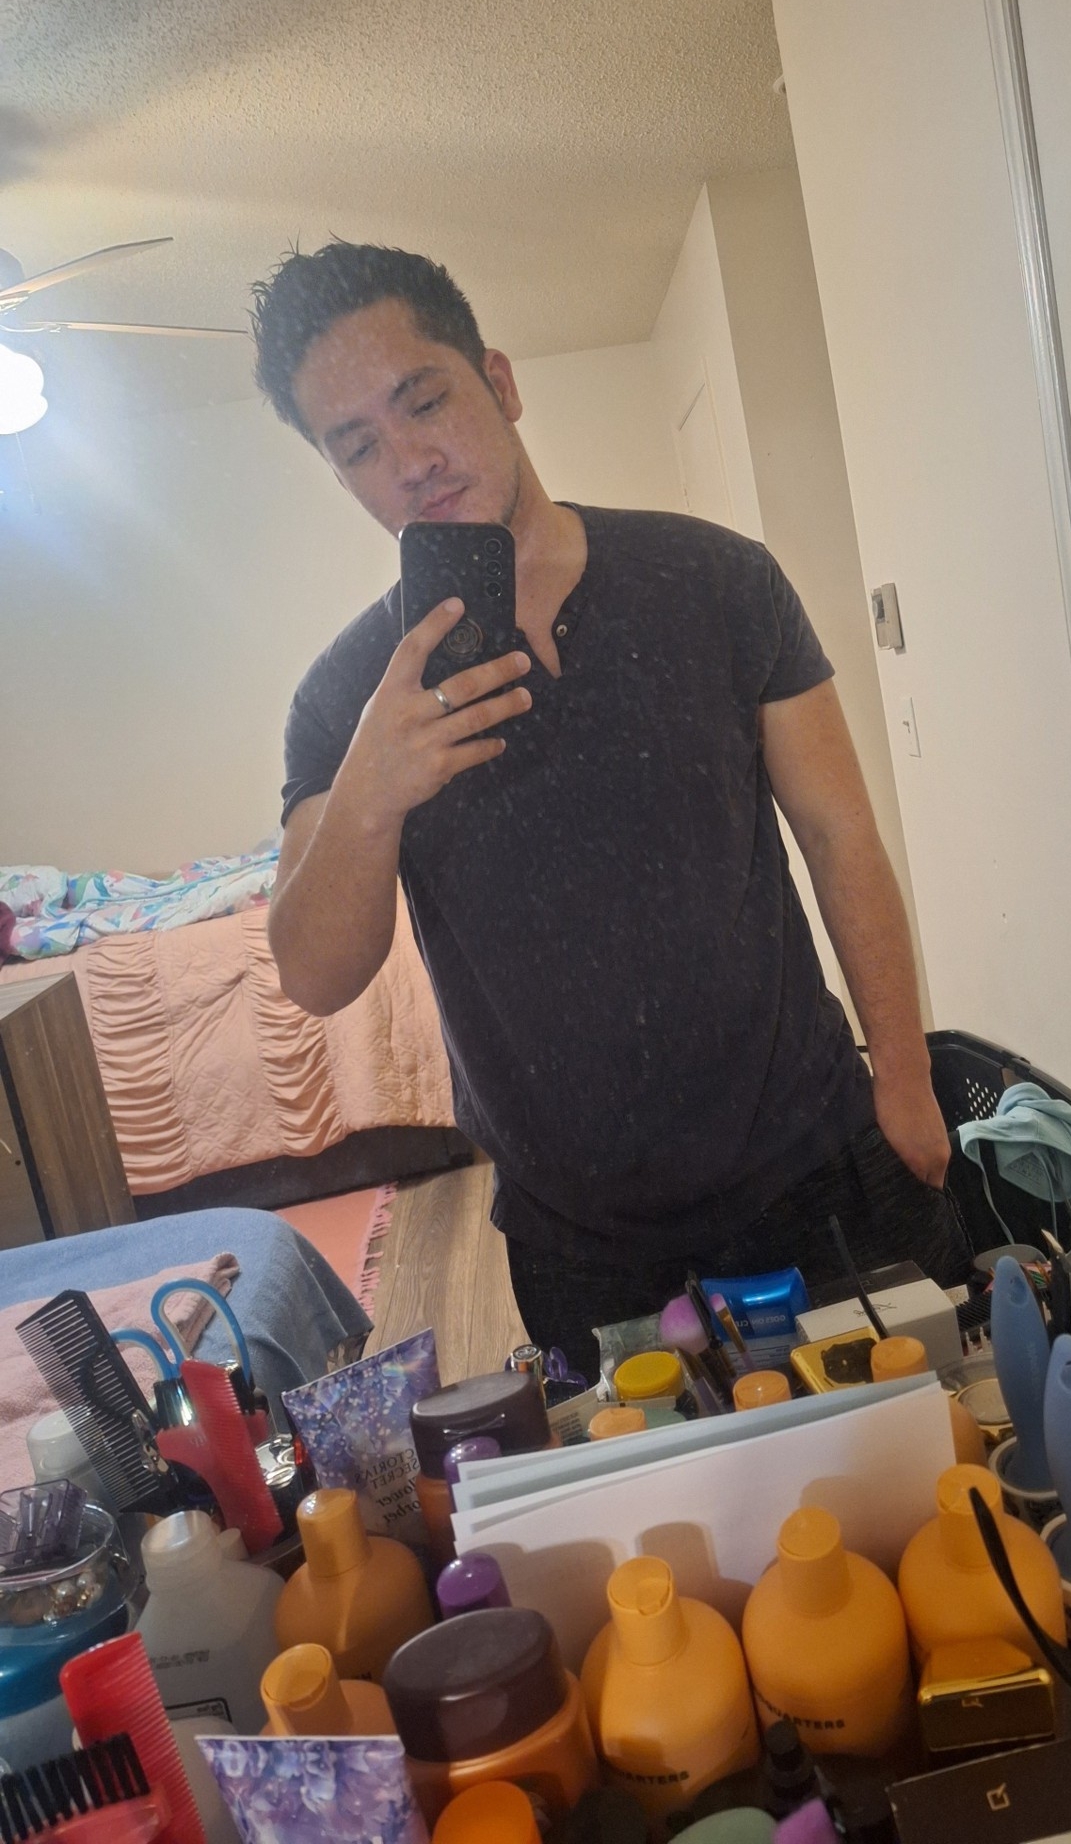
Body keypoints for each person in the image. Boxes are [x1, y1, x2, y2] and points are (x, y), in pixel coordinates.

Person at [254, 241, 972, 1378]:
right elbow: (314, 974)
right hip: (581, 1247)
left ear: (498, 381)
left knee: (920, 1452)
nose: (409, 461)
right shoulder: (347, 697)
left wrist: (906, 1076)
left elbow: (840, 836)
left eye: (424, 401)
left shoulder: (720, 579)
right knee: (662, 1499)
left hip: (815, 1158)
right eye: (358, 446)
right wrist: (370, 788)